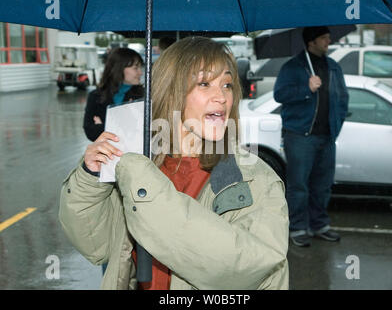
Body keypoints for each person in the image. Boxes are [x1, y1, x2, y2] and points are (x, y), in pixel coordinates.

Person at [59, 36, 289, 290]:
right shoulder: (142, 164)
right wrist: (90, 178)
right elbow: (96, 246)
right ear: (170, 90)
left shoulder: (254, 177)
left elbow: (241, 267)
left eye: (227, 84)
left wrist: (145, 190)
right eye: (204, 83)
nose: (222, 97)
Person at [274, 26, 349, 247]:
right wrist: (306, 88)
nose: (328, 41)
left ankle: (319, 225)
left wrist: (336, 125)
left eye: (328, 38)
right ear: (311, 42)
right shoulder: (293, 67)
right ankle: (297, 227)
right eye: (324, 38)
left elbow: (343, 98)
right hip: (300, 136)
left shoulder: (333, 67)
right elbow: (280, 94)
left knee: (323, 185)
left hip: (327, 137)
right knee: (299, 186)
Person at [83, 47, 144, 142]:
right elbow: (90, 132)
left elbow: (143, 130)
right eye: (135, 68)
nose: (141, 73)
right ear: (119, 68)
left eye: (140, 68)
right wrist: (124, 123)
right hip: (106, 154)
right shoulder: (96, 96)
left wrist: (103, 126)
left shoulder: (143, 96)